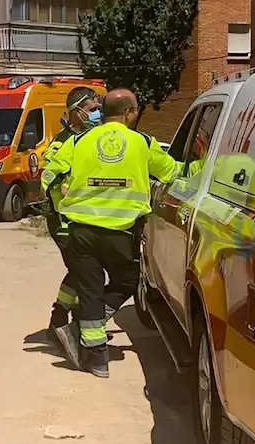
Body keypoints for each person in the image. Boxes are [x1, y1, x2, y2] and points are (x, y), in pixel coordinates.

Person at [41, 89, 178, 378]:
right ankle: (88, 331)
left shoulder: (78, 141)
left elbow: (49, 176)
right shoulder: (142, 142)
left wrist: (63, 206)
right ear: (130, 112)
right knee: (128, 280)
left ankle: (97, 359)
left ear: (104, 112)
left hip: (81, 232)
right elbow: (172, 173)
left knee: (89, 291)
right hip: (120, 235)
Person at [38, 86, 103, 333]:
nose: (98, 114)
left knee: (81, 270)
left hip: (84, 220)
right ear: (77, 112)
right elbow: (53, 185)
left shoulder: (91, 140)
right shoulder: (61, 144)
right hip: (64, 221)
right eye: (93, 110)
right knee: (84, 271)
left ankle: (63, 316)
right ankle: (71, 319)